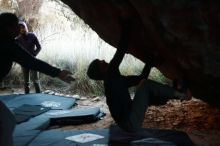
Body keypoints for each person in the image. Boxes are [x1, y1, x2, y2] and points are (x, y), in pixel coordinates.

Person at [87, 20, 191, 132]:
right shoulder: (110, 76)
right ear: (101, 71)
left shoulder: (115, 81)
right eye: (100, 63)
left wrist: (150, 60)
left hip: (128, 122)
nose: (103, 60)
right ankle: (183, 94)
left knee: (145, 89)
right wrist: (127, 25)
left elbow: (141, 78)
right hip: (130, 123)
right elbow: (120, 51)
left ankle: (175, 92)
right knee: (145, 85)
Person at [0, 12, 75, 146]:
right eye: (16, 24)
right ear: (8, 27)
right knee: (7, 122)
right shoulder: (6, 43)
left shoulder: (7, 41)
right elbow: (30, 62)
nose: (19, 27)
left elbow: (30, 58)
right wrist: (58, 73)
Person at [16, 21, 42, 93]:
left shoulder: (32, 36)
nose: (22, 29)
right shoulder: (18, 39)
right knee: (26, 82)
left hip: (33, 61)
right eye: (20, 28)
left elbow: (39, 47)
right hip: (24, 63)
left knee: (36, 81)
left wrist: (34, 54)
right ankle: (27, 97)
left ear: (25, 27)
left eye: (23, 27)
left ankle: (39, 95)